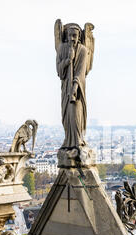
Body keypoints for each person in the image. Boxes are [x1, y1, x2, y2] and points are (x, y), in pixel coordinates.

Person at [56, 23, 89, 154]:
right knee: (66, 116)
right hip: (65, 88)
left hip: (77, 90)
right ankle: (68, 141)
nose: (72, 38)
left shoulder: (82, 50)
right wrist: (67, 60)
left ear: (79, 36)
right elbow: (59, 70)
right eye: (69, 35)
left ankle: (77, 141)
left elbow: (81, 71)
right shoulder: (62, 49)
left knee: (75, 115)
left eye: (75, 36)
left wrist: (75, 87)